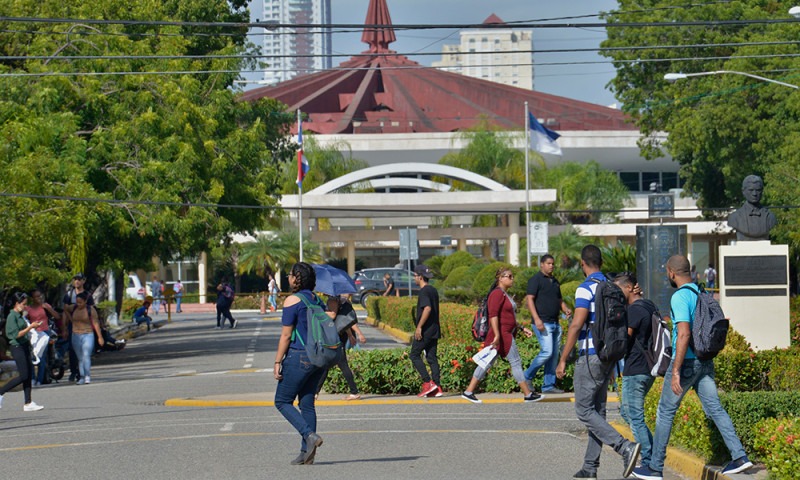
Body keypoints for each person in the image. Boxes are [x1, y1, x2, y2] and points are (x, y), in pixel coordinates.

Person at [632, 255, 753, 480]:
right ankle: (740, 457)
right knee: (715, 408)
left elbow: (685, 333)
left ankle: (655, 467)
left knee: (665, 411)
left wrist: (675, 370)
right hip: (704, 360)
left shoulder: (680, 296)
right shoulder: (702, 292)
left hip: (686, 362)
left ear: (671, 272)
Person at [556, 245, 641, 480]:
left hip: (589, 356)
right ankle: (590, 467)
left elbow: (576, 324)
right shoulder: (614, 287)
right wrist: (613, 363)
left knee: (584, 410)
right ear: (601, 263)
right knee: (598, 412)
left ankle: (624, 447)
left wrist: (563, 358)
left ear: (583, 264)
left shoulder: (585, 289)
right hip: (607, 355)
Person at [273, 262, 339, 465]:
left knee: (282, 401)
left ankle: (309, 436)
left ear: (296, 278)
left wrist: (277, 361)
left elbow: (286, 335)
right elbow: (331, 318)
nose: (288, 278)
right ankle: (306, 453)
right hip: (317, 359)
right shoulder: (315, 299)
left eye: (290, 275)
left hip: (299, 356)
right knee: (307, 404)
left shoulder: (292, 300)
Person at [462, 267, 541, 404]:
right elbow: (493, 315)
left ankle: (469, 392)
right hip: (501, 335)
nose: (512, 279)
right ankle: (528, 394)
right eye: (509, 276)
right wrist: (497, 336)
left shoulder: (504, 294)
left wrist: (521, 328)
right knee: (515, 362)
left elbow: (507, 317)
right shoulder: (497, 294)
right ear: (500, 278)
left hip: (503, 334)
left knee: (487, 362)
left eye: (512, 276)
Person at [613, 272, 657, 470]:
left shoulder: (634, 311)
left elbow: (624, 339)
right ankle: (653, 451)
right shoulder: (649, 305)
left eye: (619, 289)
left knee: (634, 414)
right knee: (627, 411)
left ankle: (648, 460)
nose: (617, 293)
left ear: (629, 288)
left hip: (636, 368)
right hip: (648, 368)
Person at [524, 254, 572, 394]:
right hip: (542, 322)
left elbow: (559, 299)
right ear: (542, 265)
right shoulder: (535, 280)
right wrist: (537, 319)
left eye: (553, 263)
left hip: (555, 322)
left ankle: (548, 385)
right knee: (547, 352)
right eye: (549, 263)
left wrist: (565, 309)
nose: (551, 266)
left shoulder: (555, 282)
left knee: (553, 354)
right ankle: (526, 376)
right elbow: (530, 300)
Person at [0, 292, 45, 412]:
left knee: (29, 374)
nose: (25, 306)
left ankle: (28, 402)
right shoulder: (12, 316)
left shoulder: (20, 315)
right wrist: (30, 327)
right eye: (23, 304)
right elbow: (16, 335)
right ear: (16, 303)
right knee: (23, 375)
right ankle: (1, 392)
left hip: (24, 346)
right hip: (17, 347)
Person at [316, 295, 366, 401]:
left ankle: (354, 392)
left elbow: (334, 315)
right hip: (337, 336)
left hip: (336, 338)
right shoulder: (337, 299)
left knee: (337, 364)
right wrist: (351, 335)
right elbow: (343, 321)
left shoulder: (333, 299)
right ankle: (316, 392)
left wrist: (317, 313)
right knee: (328, 364)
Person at [409, 264, 443, 397]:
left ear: (420, 277)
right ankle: (437, 387)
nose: (414, 279)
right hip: (434, 329)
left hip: (426, 330)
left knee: (414, 355)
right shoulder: (433, 290)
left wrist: (419, 327)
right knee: (431, 357)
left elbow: (427, 308)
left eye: (415, 276)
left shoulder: (424, 291)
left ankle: (428, 383)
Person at [65, 291, 104, 385]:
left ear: (85, 301)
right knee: (80, 358)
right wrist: (71, 320)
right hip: (76, 335)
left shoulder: (90, 310)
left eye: (81, 302)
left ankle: (87, 375)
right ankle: (81, 377)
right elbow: (65, 309)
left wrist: (100, 337)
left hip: (88, 334)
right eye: (77, 302)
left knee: (86, 355)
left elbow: (95, 323)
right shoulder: (74, 308)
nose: (79, 304)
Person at [62, 272, 93, 382]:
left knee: (84, 349)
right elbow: (65, 311)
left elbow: (91, 311)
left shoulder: (88, 296)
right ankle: (74, 372)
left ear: (83, 281)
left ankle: (83, 373)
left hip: (85, 326)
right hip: (72, 326)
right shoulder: (69, 295)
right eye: (75, 279)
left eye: (79, 279)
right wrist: (64, 327)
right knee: (72, 349)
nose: (77, 281)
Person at [726, 174, 777, 241]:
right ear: (743, 191)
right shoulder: (734, 217)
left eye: (758, 190)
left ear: (762, 191)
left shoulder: (770, 217)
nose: (754, 194)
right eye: (751, 190)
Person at [26, 288, 61, 386]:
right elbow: (25, 321)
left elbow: (57, 316)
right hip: (34, 334)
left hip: (44, 332)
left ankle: (40, 379)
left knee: (42, 356)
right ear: (32, 298)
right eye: (36, 296)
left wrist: (48, 308)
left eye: (40, 296)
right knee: (32, 356)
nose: (39, 298)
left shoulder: (45, 306)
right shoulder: (28, 309)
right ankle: (32, 378)